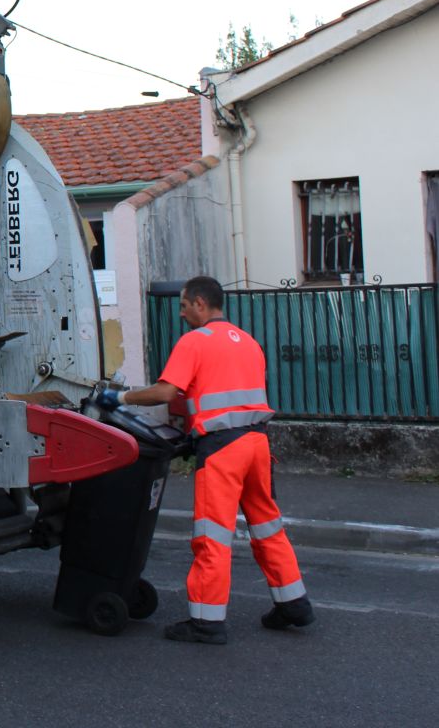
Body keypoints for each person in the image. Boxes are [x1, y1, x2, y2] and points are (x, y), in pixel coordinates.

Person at [94, 275, 314, 645]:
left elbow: (167, 392)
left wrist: (122, 398)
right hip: (257, 444)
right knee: (267, 526)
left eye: (183, 306)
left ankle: (206, 622)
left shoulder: (194, 342)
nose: (180, 314)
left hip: (223, 448)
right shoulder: (248, 342)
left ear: (199, 303)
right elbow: (215, 391)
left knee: (212, 534)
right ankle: (294, 605)